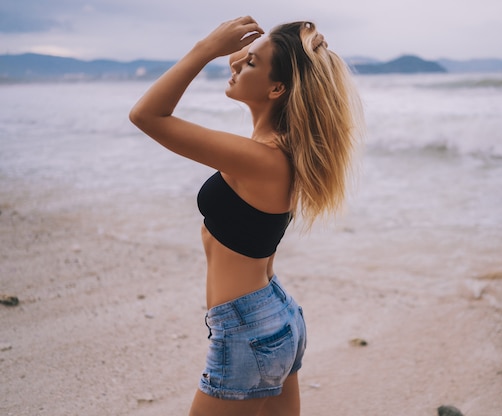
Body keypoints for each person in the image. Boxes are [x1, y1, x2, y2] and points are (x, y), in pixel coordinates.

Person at [129, 16, 363, 416]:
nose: (235, 64)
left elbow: (147, 116)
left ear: (277, 88)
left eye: (250, 64)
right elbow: (243, 61)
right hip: (276, 317)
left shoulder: (260, 158)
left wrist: (205, 47)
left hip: (248, 330)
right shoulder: (281, 149)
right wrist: (260, 49)